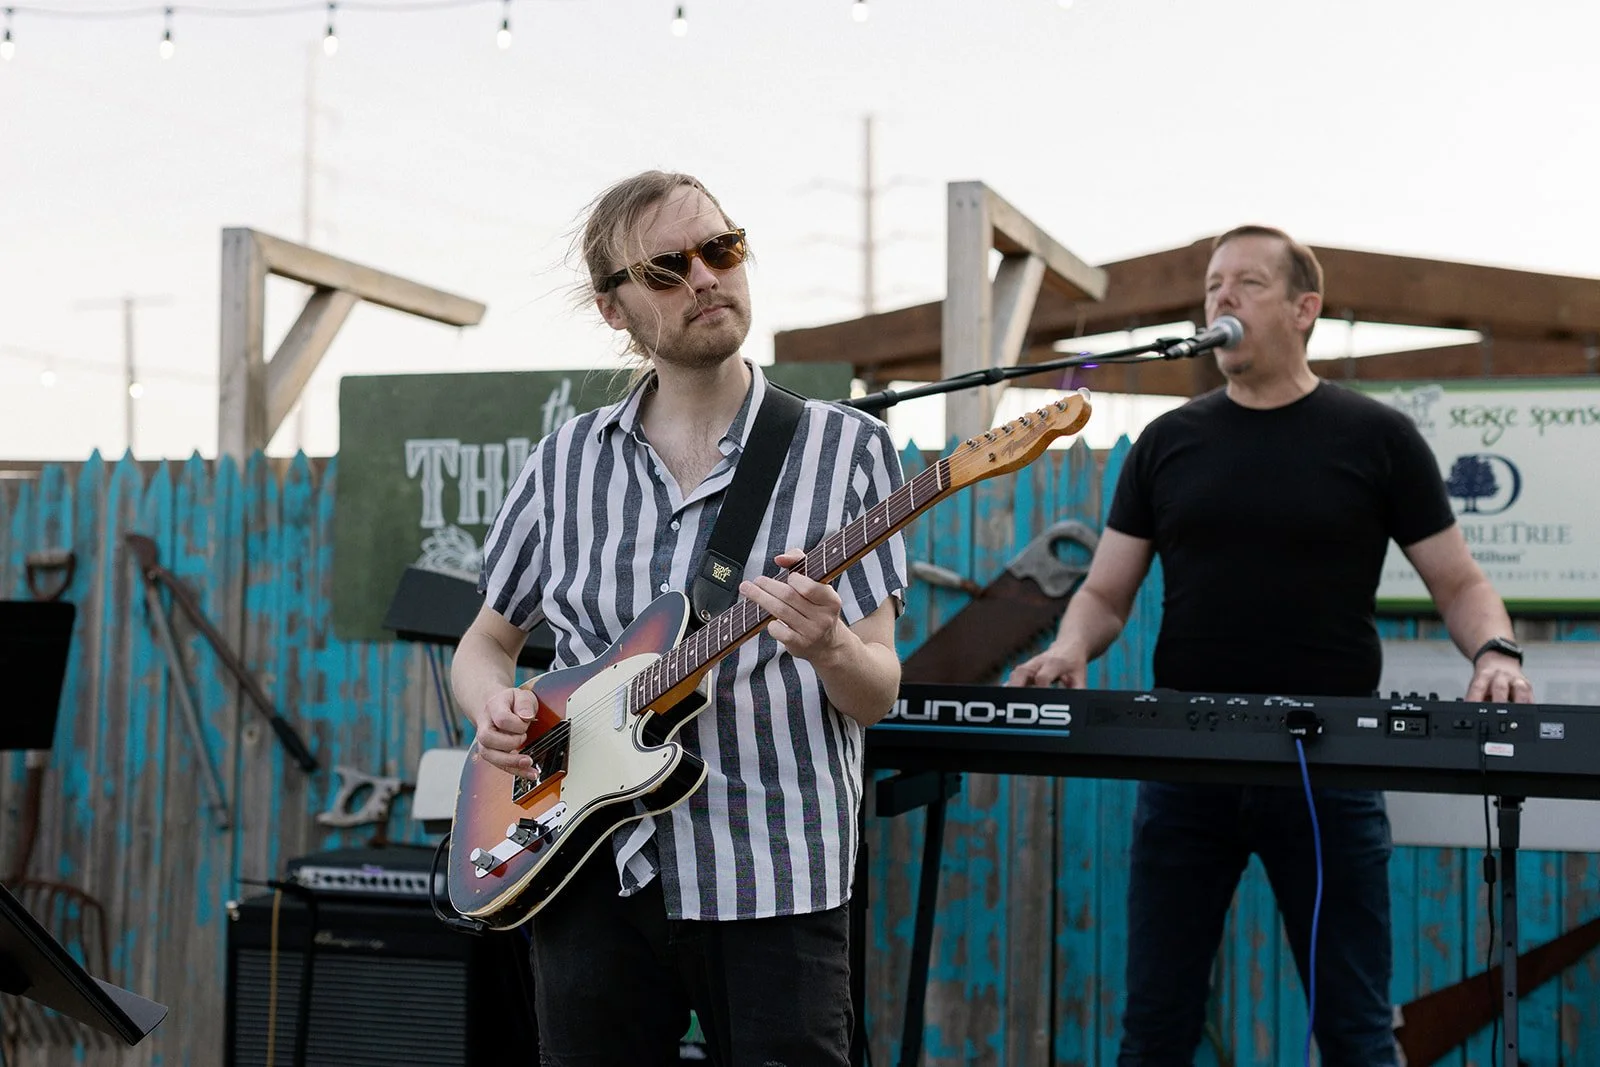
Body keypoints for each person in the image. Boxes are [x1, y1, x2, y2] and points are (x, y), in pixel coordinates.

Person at [1008, 224, 1534, 1066]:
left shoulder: (1378, 437)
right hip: (1186, 766)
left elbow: (1460, 582)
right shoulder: (1168, 442)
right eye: (1213, 284)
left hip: (1330, 767)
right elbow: (1105, 593)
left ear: (1303, 308)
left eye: (1247, 283)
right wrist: (1073, 645)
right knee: (1155, 1032)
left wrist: (1497, 651)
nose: (1221, 297)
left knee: (1357, 1033)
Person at [450, 170, 907, 1067]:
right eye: (666, 269)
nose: (704, 278)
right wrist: (492, 706)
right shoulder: (564, 461)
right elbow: (485, 642)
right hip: (584, 861)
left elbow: (879, 689)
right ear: (612, 307)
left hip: (776, 869)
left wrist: (831, 646)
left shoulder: (847, 449)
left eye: (721, 249)